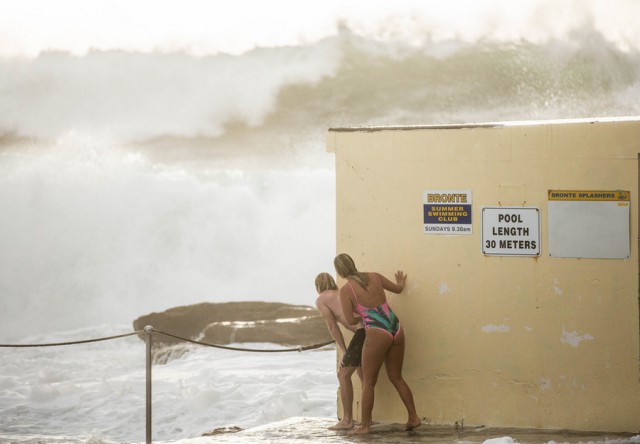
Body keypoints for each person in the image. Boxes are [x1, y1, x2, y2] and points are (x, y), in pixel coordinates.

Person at [334, 253, 421, 435]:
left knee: (368, 382)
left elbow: (350, 319)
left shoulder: (346, 290)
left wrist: (365, 316)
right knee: (397, 377)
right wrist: (401, 283)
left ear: (339, 271)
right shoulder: (374, 276)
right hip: (395, 326)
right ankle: (413, 417)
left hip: (376, 331)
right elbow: (397, 289)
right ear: (353, 263)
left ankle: (365, 426)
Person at [314, 272, 366, 430]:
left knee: (342, 374)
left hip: (362, 331)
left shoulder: (322, 299)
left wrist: (344, 350)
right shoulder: (341, 291)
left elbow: (332, 326)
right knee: (362, 373)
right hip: (372, 327)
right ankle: (367, 419)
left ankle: (347, 420)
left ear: (318, 286)